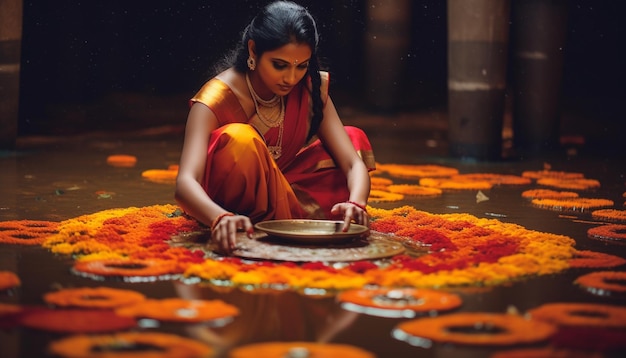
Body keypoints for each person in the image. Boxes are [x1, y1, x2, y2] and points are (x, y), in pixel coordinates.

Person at [175, 1, 375, 254]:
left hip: (283, 185)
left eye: (301, 66)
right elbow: (184, 184)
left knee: (352, 137)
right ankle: (260, 218)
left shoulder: (309, 87)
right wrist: (219, 217)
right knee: (240, 138)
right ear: (253, 51)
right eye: (279, 65)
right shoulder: (215, 99)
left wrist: (357, 203)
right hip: (227, 203)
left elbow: (352, 163)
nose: (291, 78)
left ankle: (286, 213)